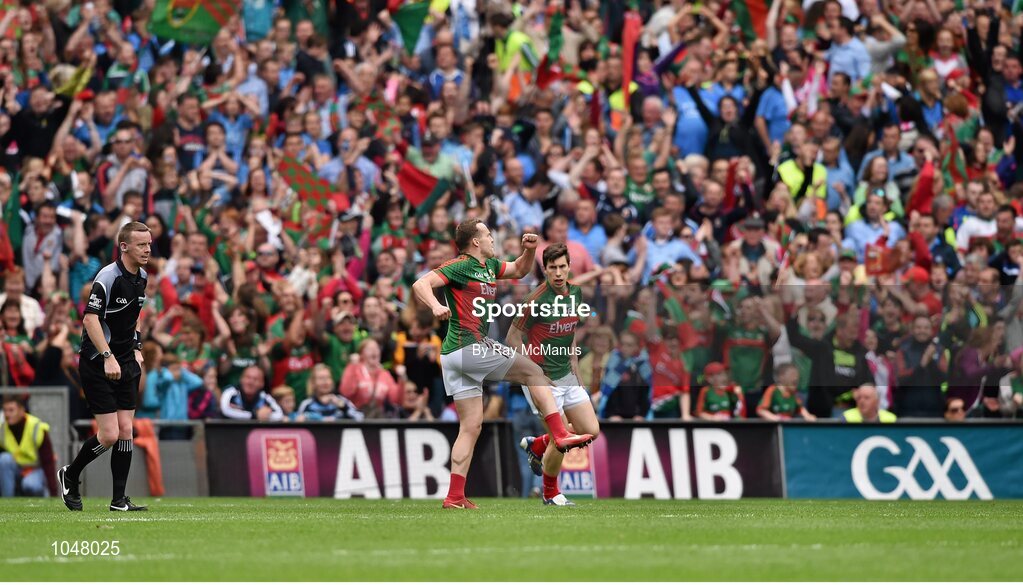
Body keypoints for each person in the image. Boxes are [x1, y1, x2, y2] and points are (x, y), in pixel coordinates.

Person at [411, 219, 593, 509]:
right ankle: (558, 433)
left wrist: (529, 250)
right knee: (533, 371)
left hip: (453, 356)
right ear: (475, 242)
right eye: (488, 235)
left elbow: (520, 269)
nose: (492, 239)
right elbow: (421, 283)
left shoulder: (490, 267)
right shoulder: (460, 265)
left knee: (471, 426)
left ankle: (454, 496)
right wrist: (435, 305)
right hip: (469, 347)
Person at [58, 222, 152, 513]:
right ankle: (70, 474)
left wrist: (136, 348)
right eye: (141, 244)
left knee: (126, 430)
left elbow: (135, 315)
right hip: (98, 362)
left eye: (149, 244)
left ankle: (118, 500)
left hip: (126, 361)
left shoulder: (142, 277)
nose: (147, 249)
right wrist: (108, 355)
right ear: (124, 247)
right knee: (110, 434)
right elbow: (90, 319)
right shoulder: (107, 277)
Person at [505, 243, 601, 507]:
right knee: (561, 441)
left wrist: (575, 366)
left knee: (591, 431)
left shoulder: (576, 293)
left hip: (566, 374)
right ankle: (550, 493)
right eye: (552, 268)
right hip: (542, 379)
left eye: (562, 267)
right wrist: (533, 371)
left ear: (569, 267)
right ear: (545, 270)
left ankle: (538, 444)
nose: (558, 273)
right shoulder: (534, 300)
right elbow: (512, 338)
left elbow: (570, 332)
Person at [1, 395, 57, 497]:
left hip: (36, 470)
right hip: (17, 470)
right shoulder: (2, 429)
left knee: (30, 484)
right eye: (5, 410)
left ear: (22, 411)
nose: (7, 414)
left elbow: (48, 462)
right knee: (4, 459)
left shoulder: (36, 427)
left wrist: (54, 493)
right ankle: (6, 500)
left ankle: (44, 495)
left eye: (11, 410)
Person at [220, 365, 285, 421]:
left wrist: (266, 415)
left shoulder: (264, 397)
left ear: (262, 384)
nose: (251, 382)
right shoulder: (230, 392)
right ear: (241, 379)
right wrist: (255, 415)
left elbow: (279, 414)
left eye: (255, 379)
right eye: (248, 377)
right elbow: (225, 410)